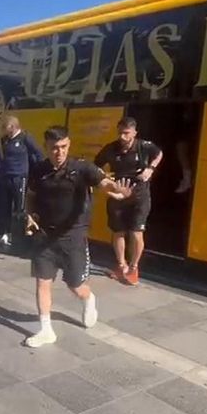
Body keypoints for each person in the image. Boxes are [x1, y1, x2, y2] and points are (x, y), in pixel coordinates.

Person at [23, 126, 132, 348]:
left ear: (69, 144)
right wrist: (29, 216)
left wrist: (117, 189)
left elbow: (103, 182)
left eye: (63, 147)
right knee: (42, 282)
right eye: (54, 148)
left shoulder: (81, 168)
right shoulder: (38, 170)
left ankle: (88, 299)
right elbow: (31, 196)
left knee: (75, 285)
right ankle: (46, 330)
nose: (59, 152)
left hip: (73, 237)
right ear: (46, 147)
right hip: (45, 237)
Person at [94, 117, 163, 285]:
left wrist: (150, 169)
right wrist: (108, 182)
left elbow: (159, 153)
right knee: (118, 231)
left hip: (140, 195)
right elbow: (96, 166)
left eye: (126, 133)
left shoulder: (143, 146)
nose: (122, 137)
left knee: (136, 232)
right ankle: (121, 265)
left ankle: (134, 267)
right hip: (118, 195)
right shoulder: (111, 148)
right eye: (120, 133)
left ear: (134, 133)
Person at [0, 115, 43, 245]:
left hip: (19, 176)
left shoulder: (25, 138)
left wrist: (36, 172)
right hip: (6, 177)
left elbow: (38, 153)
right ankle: (5, 232)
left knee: (19, 208)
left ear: (14, 127)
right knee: (5, 205)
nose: (6, 131)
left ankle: (19, 236)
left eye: (7, 129)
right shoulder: (4, 140)